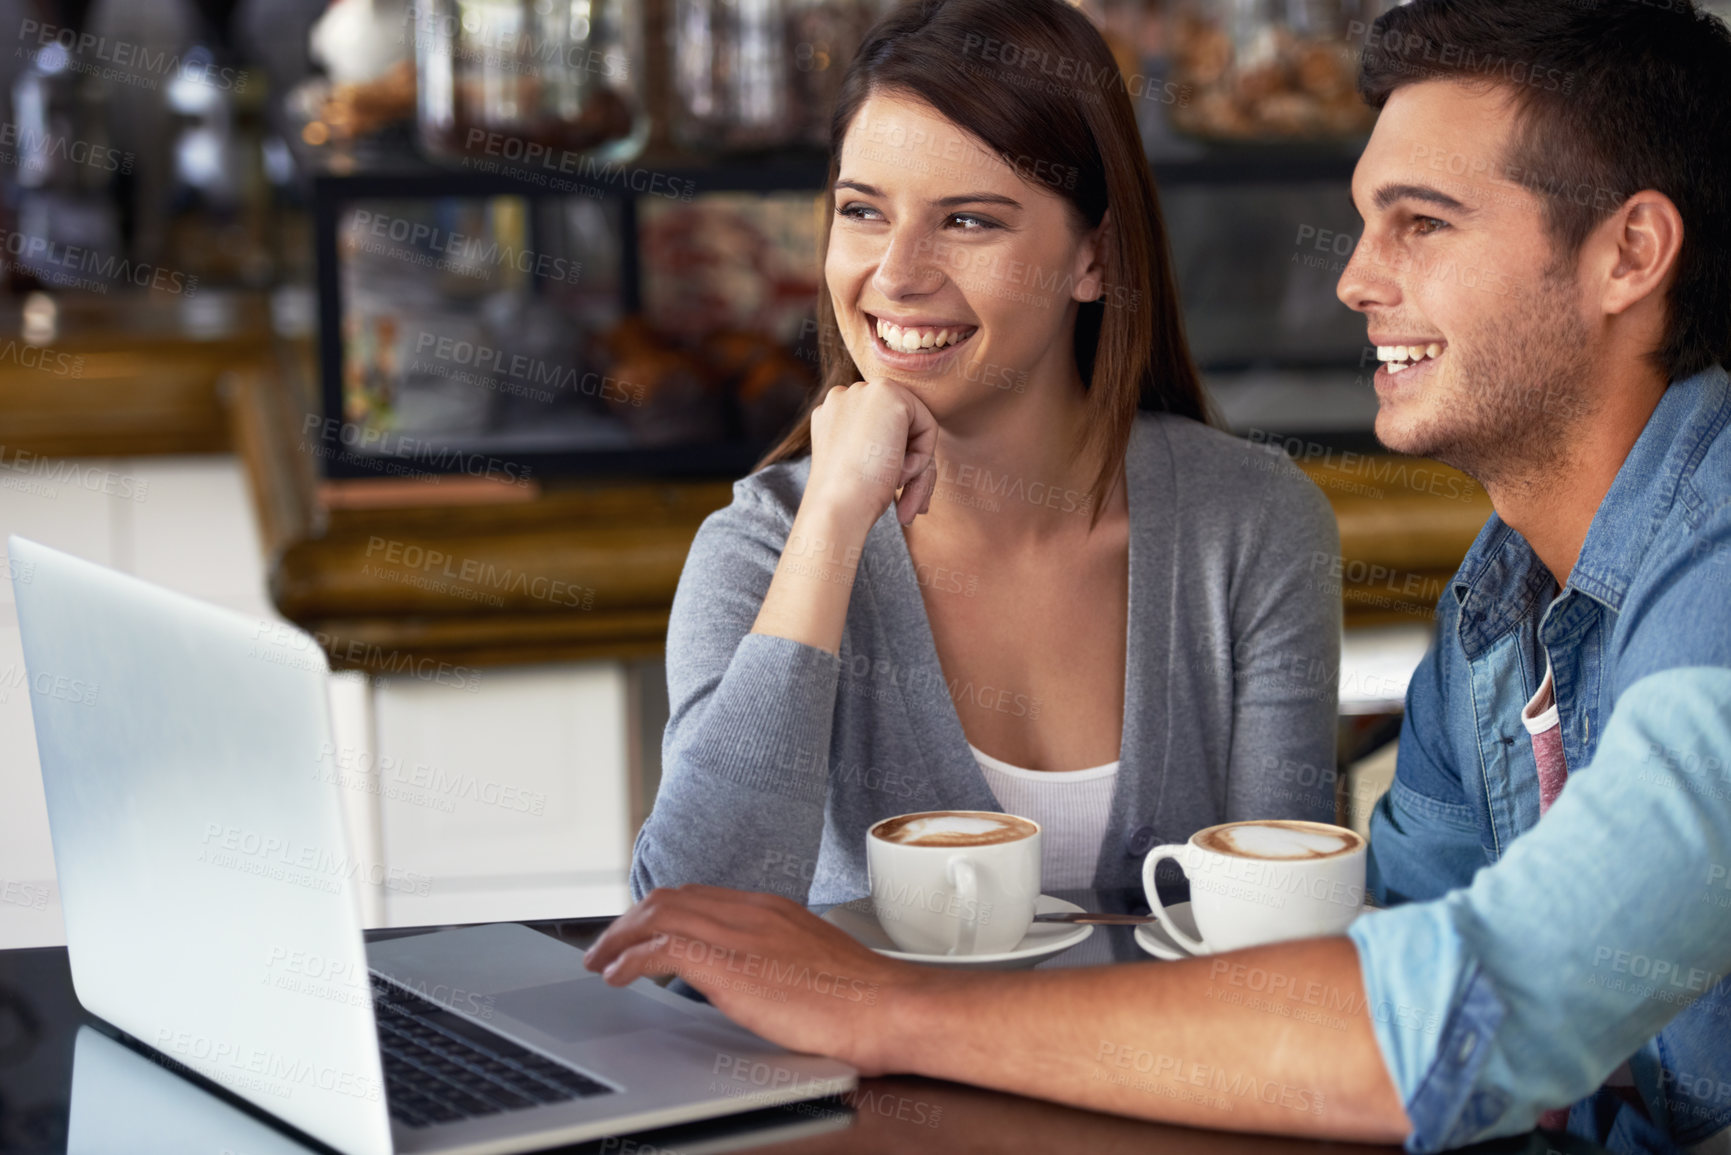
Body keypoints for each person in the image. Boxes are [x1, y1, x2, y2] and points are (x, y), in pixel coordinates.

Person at [589, 1, 1731, 1153]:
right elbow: (1368, 984)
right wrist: (832, 519)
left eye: (1422, 224)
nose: (1354, 281)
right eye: (860, 213)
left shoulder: (1713, 571)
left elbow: (1430, 1020)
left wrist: (880, 1006)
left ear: (1630, 253)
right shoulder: (1501, 614)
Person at [629, 0, 1341, 905]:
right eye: (861, 211)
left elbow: (1282, 935)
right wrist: (834, 523)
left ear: (1095, 259)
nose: (895, 274)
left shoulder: (1250, 524)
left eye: (967, 221)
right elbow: (689, 926)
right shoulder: (764, 547)